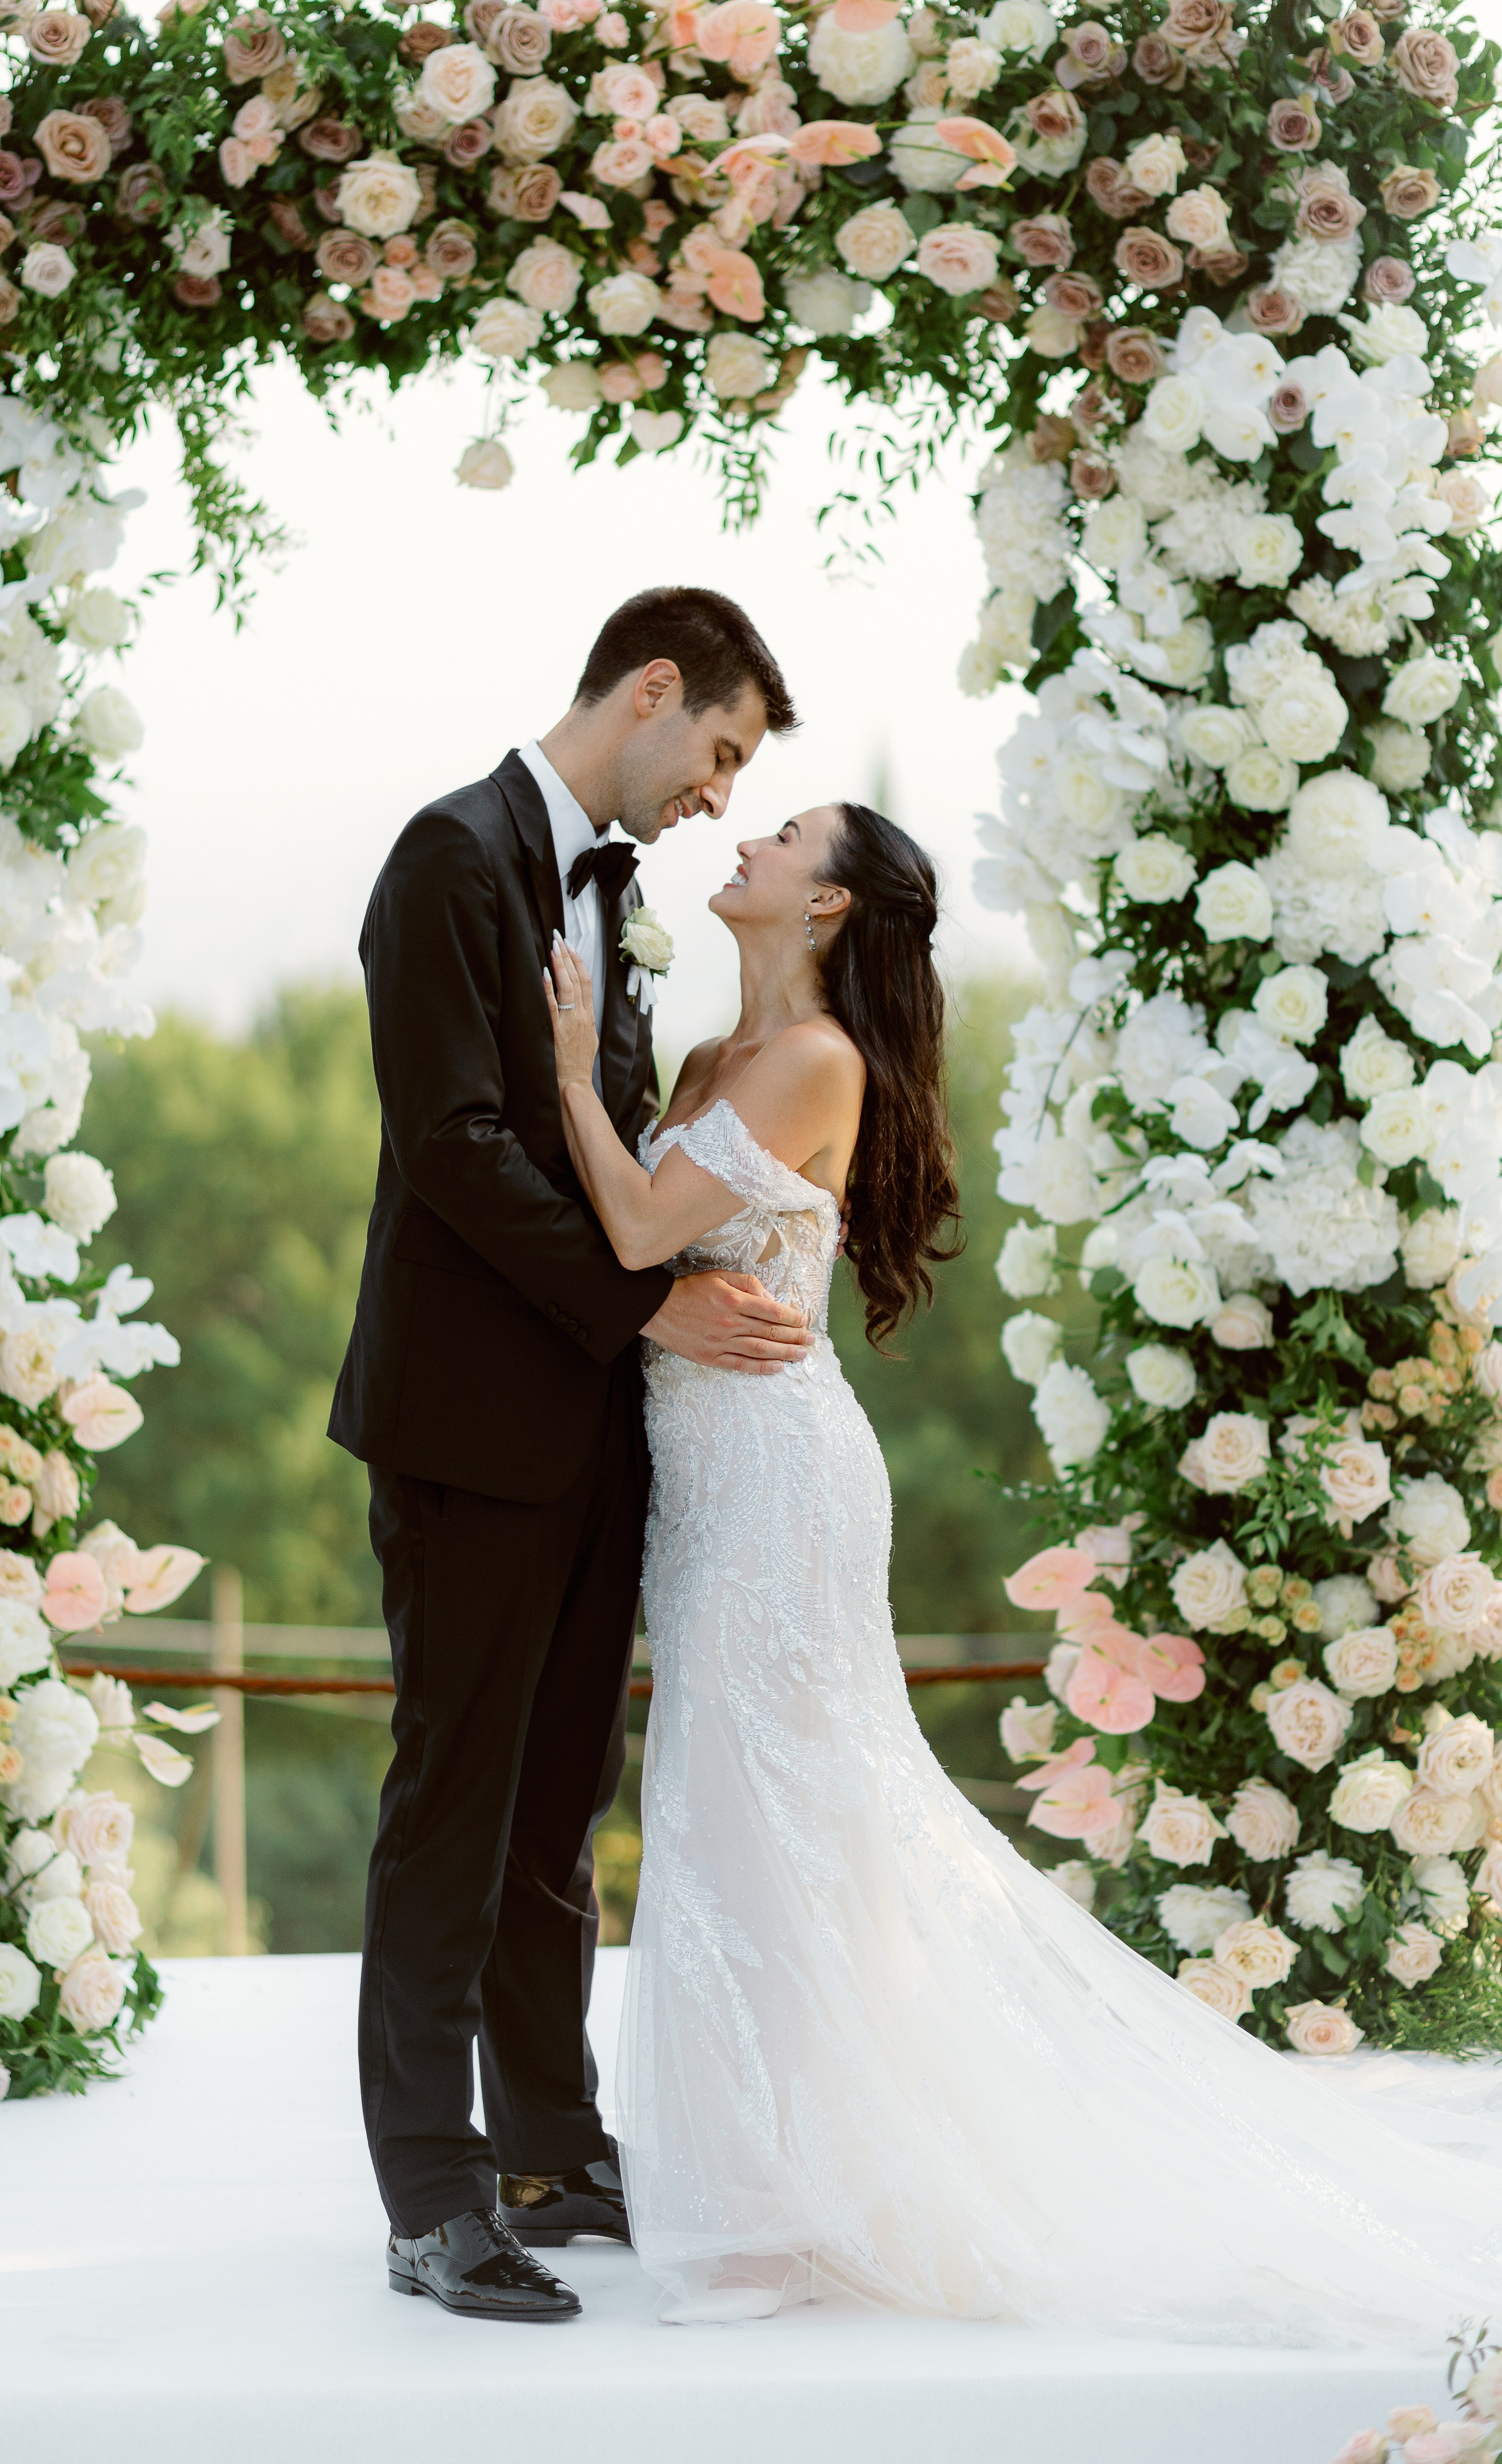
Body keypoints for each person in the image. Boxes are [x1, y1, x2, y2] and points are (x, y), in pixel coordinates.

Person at [545, 798, 1502, 2338]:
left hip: (780, 1482)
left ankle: (771, 2209)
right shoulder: (717, 1058)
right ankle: (781, 2177)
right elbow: (654, 1258)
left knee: (770, 1810)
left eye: (780, 833)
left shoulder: (812, 1063)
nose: (745, 839)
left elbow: (646, 1218)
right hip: (705, 1482)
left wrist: (558, 1070)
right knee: (743, 1808)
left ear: (834, 905)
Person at [329, 587, 801, 2324]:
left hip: (599, 1428)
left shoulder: (609, 889)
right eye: (722, 751)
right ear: (654, 689)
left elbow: (596, 1152)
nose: (717, 797)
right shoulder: (447, 859)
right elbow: (451, 1145)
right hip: (469, 1422)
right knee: (453, 1805)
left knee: (559, 1807)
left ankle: (547, 2135)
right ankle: (431, 2197)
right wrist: (653, 1312)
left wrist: (648, 1323)